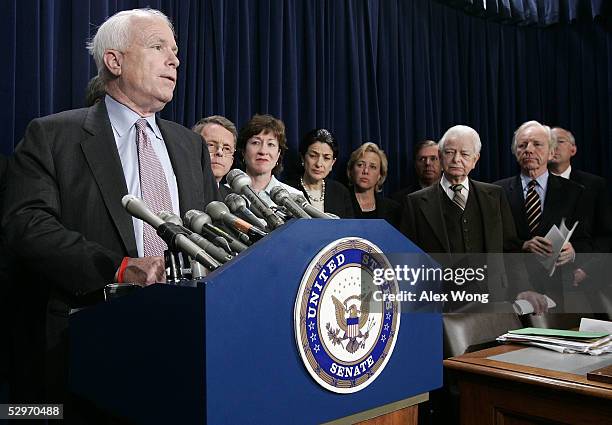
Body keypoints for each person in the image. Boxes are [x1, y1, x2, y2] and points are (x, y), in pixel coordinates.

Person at [1, 8, 218, 406]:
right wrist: (117, 267)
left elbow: (206, 238)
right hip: (83, 345)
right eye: (158, 47)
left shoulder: (190, 147)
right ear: (114, 61)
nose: (175, 59)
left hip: (181, 341)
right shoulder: (51, 135)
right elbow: (27, 226)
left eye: (176, 51)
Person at [401, 125, 548, 312]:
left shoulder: (494, 195)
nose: (456, 159)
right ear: (440, 155)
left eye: (464, 154)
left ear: (475, 160)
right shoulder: (415, 202)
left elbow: (510, 249)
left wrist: (523, 288)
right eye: (450, 152)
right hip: (439, 303)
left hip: (492, 299)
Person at [495, 121, 587, 310]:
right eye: (522, 145)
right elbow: (492, 243)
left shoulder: (575, 192)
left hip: (561, 292)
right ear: (515, 152)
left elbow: (590, 239)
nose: (528, 150)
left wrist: (574, 250)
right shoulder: (496, 192)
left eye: (537, 144)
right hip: (515, 292)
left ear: (551, 152)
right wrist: (523, 245)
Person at [548, 126, 612, 302]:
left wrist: (586, 269)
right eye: (549, 142)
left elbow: (606, 236)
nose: (554, 146)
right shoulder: (532, 188)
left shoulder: (595, 185)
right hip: (543, 282)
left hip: (586, 279)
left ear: (573, 149)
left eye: (560, 141)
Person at [236, 114, 301, 206]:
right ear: (243, 151)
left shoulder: (294, 198)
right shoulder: (224, 193)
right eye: (256, 143)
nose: (263, 151)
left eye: (270, 144)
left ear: (278, 153)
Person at [288, 128, 353, 218]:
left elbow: (350, 229)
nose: (319, 164)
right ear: (302, 157)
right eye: (313, 156)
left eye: (326, 158)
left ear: (332, 163)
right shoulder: (287, 190)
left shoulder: (341, 192)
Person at [347, 142, 401, 228]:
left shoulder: (393, 209)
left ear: (380, 175)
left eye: (373, 167)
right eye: (360, 165)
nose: (366, 171)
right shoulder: (340, 204)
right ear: (351, 171)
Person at [193, 115, 238, 198]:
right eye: (211, 145)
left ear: (232, 160)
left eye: (226, 148)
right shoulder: (178, 190)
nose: (219, 152)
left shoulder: (233, 199)